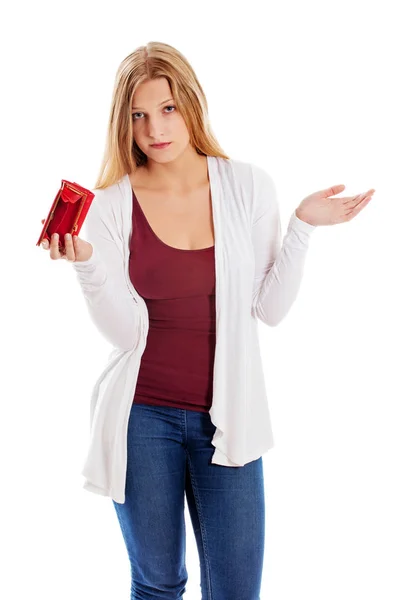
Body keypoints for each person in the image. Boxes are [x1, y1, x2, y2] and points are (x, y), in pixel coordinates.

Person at [40, 41, 375, 600]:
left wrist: (302, 227)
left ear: (191, 105)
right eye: (139, 115)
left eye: (167, 109)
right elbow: (126, 334)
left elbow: (270, 309)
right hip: (141, 418)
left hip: (230, 420)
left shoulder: (247, 186)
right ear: (124, 123)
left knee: (237, 591)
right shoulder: (111, 206)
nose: (155, 129)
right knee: (157, 584)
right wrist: (89, 266)